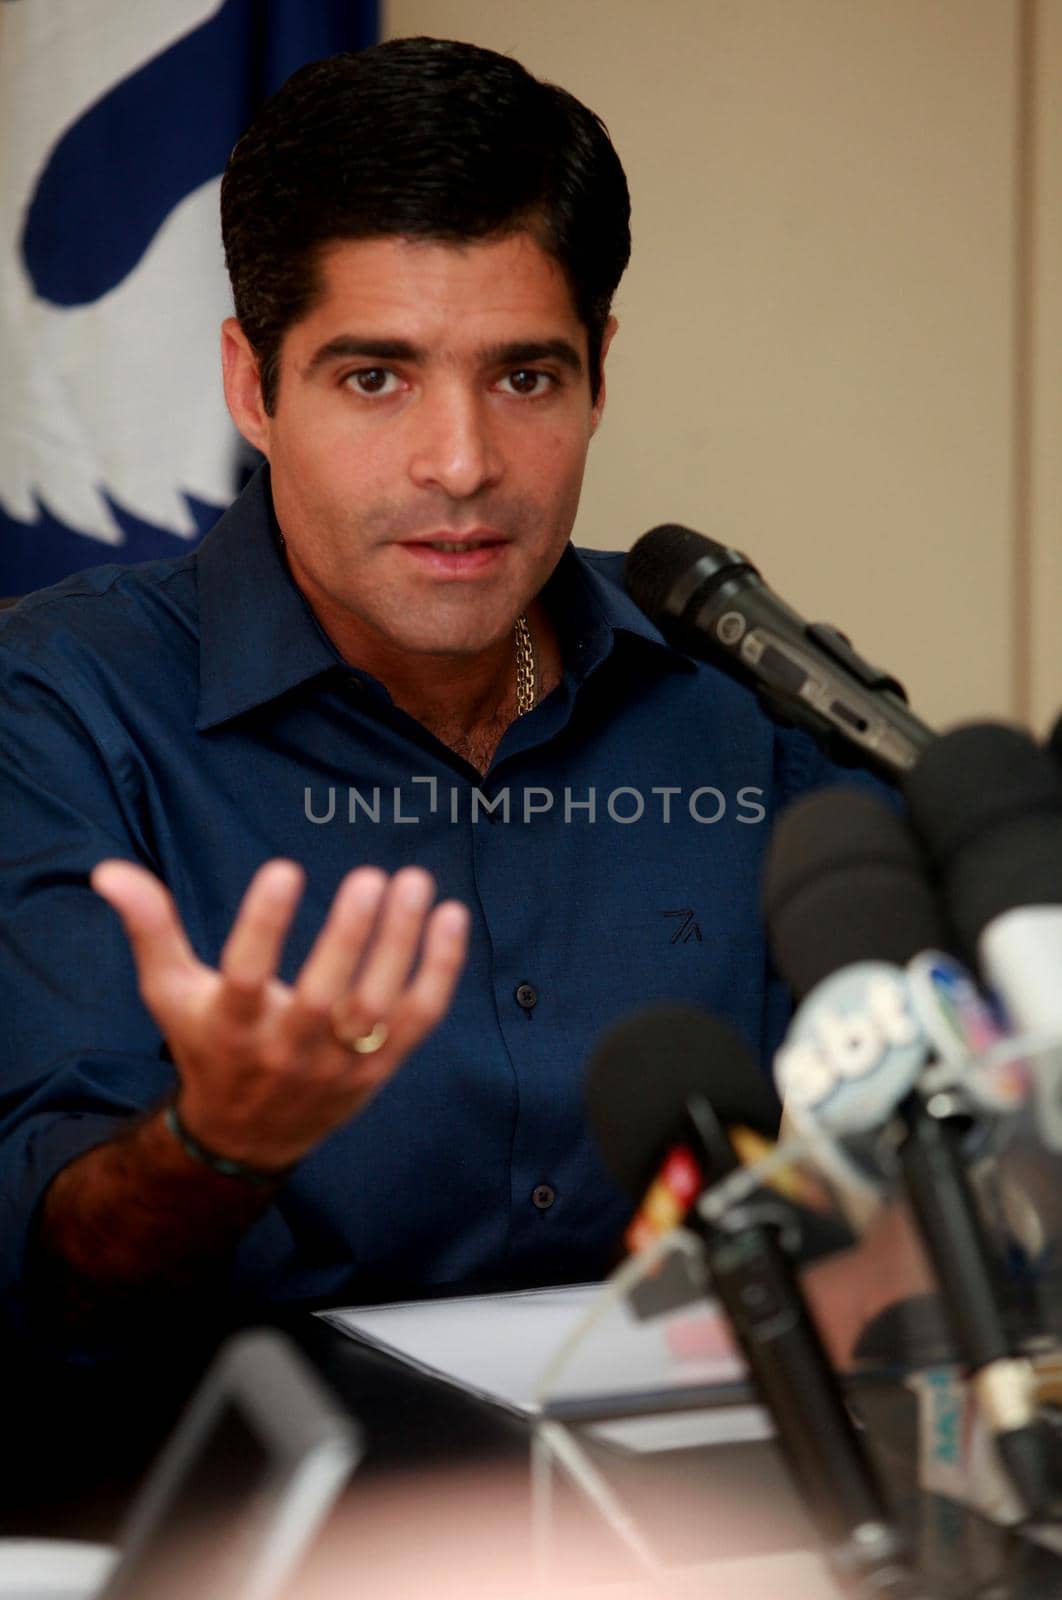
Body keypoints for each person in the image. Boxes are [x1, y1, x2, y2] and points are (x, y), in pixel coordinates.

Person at [0, 36, 854, 1352]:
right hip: (238, 1524)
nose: (459, 464)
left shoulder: (737, 691)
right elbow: (51, 1268)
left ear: (597, 375)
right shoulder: (61, 706)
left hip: (697, 1519)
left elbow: (891, 1176)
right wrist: (218, 1146)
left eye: (523, 377)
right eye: (374, 377)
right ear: (251, 386)